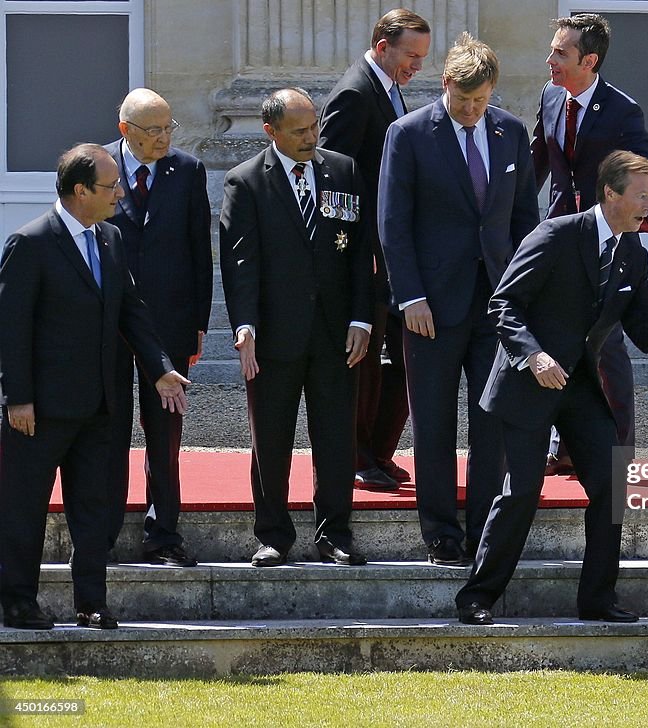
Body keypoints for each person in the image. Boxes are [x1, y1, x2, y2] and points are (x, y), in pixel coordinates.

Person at [455, 151, 648, 625]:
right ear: (610, 193)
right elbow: (504, 305)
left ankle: (597, 600)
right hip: (527, 379)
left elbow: (644, 331)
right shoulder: (557, 234)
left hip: (579, 382)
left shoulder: (633, 252)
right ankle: (477, 597)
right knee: (521, 491)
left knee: (610, 482)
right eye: (642, 196)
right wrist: (534, 354)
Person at [0, 144, 188, 630]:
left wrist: (160, 367)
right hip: (39, 410)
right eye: (110, 186)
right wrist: (17, 397)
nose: (120, 193)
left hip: (99, 404)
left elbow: (131, 310)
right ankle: (18, 601)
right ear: (80, 190)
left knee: (92, 512)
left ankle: (91, 603)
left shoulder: (109, 238)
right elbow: (11, 329)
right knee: (25, 510)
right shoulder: (30, 242)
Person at [379, 33, 539, 566]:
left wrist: (523, 293)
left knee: (489, 421)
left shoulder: (511, 133)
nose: (471, 111)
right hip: (430, 307)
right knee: (434, 423)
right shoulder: (408, 134)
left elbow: (523, 221)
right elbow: (393, 226)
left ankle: (484, 532)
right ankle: (441, 534)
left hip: (496, 303)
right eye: (463, 99)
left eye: (481, 100)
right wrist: (410, 298)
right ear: (445, 84)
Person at [531, 13, 648, 475]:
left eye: (561, 53)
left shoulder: (620, 109)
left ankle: (616, 454)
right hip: (560, 234)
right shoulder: (550, 96)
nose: (549, 59)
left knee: (606, 343)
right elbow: (538, 159)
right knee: (557, 337)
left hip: (607, 238)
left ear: (589, 61)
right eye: (553, 49)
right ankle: (563, 446)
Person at [219, 88, 373, 568]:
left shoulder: (343, 170)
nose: (312, 137)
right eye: (300, 131)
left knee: (335, 437)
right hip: (273, 336)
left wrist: (362, 318)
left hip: (335, 333)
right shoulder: (246, 182)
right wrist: (244, 325)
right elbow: (239, 260)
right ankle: (273, 534)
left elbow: (361, 251)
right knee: (271, 437)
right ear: (271, 132)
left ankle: (335, 534)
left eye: (314, 127)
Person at [319, 9, 431, 491]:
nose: (417, 67)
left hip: (389, 250)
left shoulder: (385, 84)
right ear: (382, 45)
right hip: (363, 251)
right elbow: (332, 176)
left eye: (423, 57)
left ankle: (375, 451)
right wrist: (350, 250)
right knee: (364, 361)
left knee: (396, 359)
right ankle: (356, 453)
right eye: (411, 55)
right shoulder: (354, 91)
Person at [104, 88, 213, 566]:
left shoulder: (186, 170)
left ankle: (163, 533)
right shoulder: (97, 167)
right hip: (107, 323)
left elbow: (198, 251)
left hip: (168, 321)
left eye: (170, 127)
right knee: (106, 428)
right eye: (154, 131)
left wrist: (198, 325)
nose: (165, 138)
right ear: (125, 130)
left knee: (165, 431)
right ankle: (101, 531)